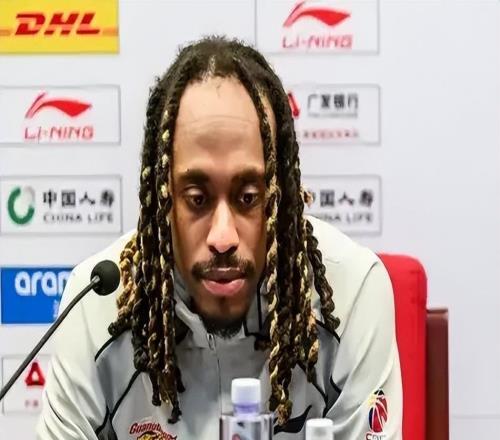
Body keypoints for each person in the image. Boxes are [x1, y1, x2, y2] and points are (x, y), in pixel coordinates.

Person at [37, 36, 402, 440]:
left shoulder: (350, 292)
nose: (223, 237)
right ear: (163, 199)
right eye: (197, 199)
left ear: (280, 194)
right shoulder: (96, 307)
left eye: (249, 198)